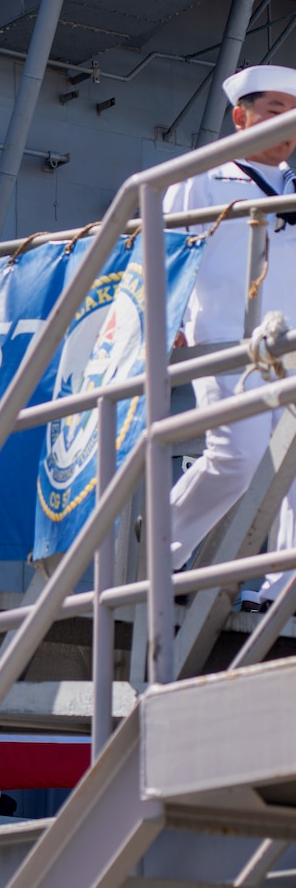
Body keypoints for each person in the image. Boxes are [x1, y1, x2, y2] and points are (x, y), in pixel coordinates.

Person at [161, 65, 296, 604]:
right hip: (227, 342)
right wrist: (163, 320)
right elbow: (165, 252)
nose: (285, 124)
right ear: (242, 118)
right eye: (272, 111)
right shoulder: (204, 175)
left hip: (292, 343)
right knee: (235, 458)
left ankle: (280, 588)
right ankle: (159, 557)